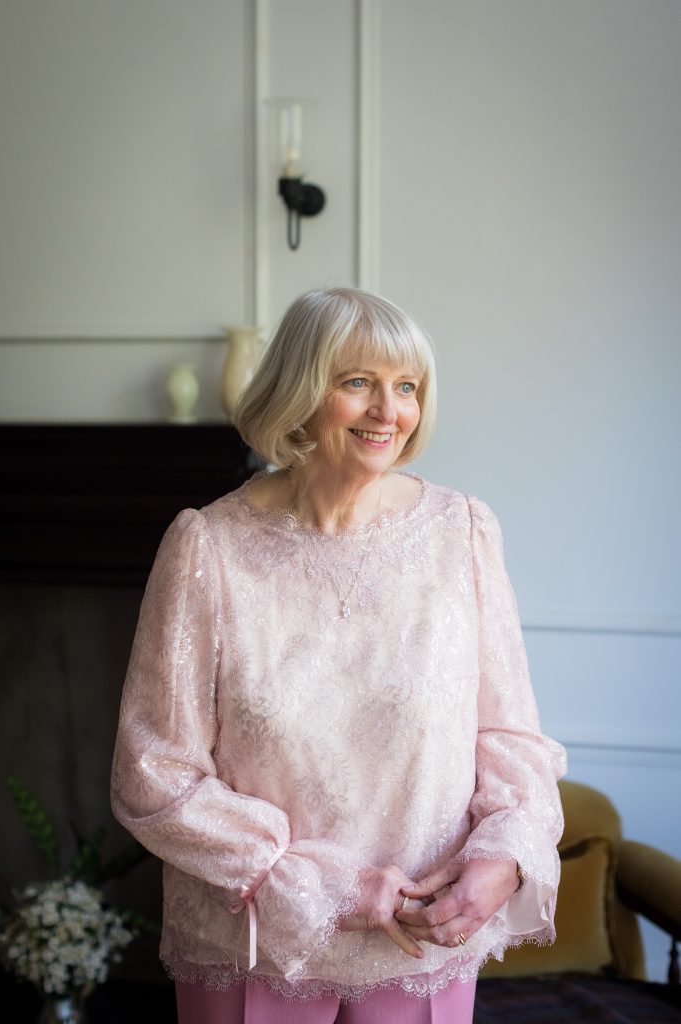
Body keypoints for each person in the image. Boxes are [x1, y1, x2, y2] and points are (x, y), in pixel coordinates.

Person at [111, 286, 567, 1024]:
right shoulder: (207, 547)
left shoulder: (462, 534)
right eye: (357, 383)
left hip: (421, 940)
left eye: (406, 387)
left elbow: (508, 735)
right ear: (298, 390)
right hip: (254, 941)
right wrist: (320, 886)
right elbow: (152, 774)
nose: (389, 411)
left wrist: (503, 855)